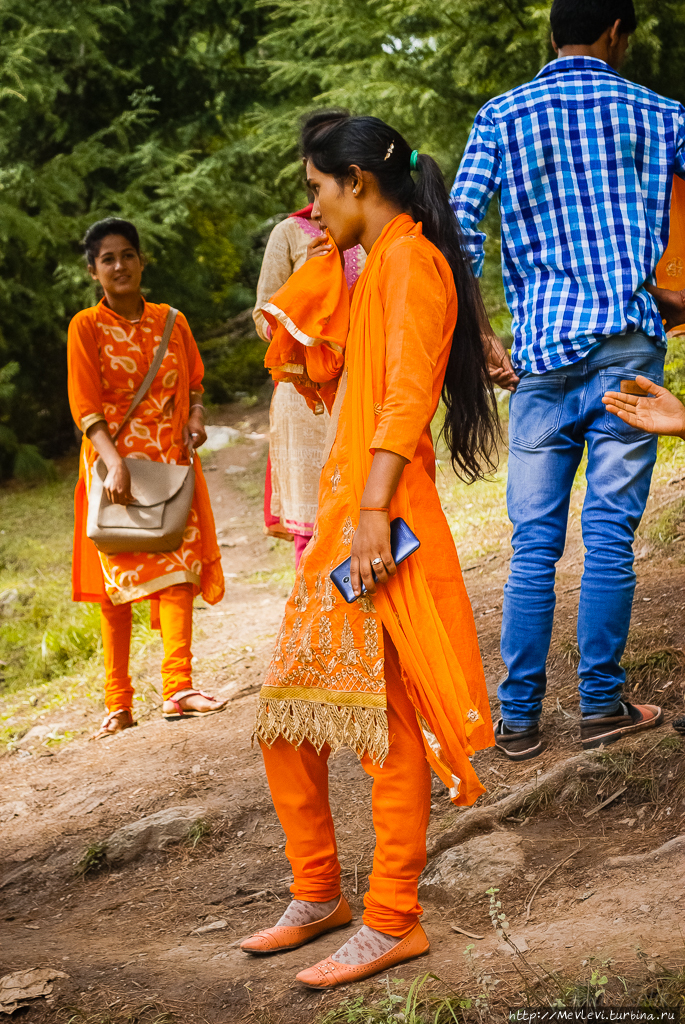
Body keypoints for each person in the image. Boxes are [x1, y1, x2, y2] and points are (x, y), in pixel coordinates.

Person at [240, 111, 499, 988]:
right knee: (289, 716)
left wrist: (374, 513)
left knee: (385, 726)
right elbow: (312, 361)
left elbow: (404, 400)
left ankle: (392, 917)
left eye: (316, 189)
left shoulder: (413, 263)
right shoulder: (372, 261)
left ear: (356, 180)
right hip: (350, 518)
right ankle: (318, 892)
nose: (308, 209)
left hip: (380, 524)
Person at [451, 0, 685, 760]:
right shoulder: (659, 112)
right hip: (629, 357)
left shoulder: (500, 116)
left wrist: (482, 334)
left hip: (540, 360)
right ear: (615, 33)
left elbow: (457, 231)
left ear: (550, 35)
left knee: (531, 543)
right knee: (609, 535)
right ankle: (597, 706)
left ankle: (516, 720)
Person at [68, 218, 227, 738]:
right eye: (108, 259)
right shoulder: (85, 328)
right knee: (116, 582)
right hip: (115, 471)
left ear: (141, 261)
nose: (120, 266)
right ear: (94, 271)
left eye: (128, 255)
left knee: (178, 567)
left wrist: (197, 416)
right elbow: (85, 405)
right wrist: (112, 463)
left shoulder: (172, 322)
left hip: (171, 461)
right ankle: (118, 701)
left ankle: (177, 687)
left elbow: (195, 380)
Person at [253, 205, 365, 566]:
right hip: (305, 402)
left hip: (361, 386)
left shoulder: (368, 226)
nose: (318, 208)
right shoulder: (288, 233)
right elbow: (264, 317)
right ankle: (313, 618)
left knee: (365, 509)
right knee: (312, 527)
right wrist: (310, 279)